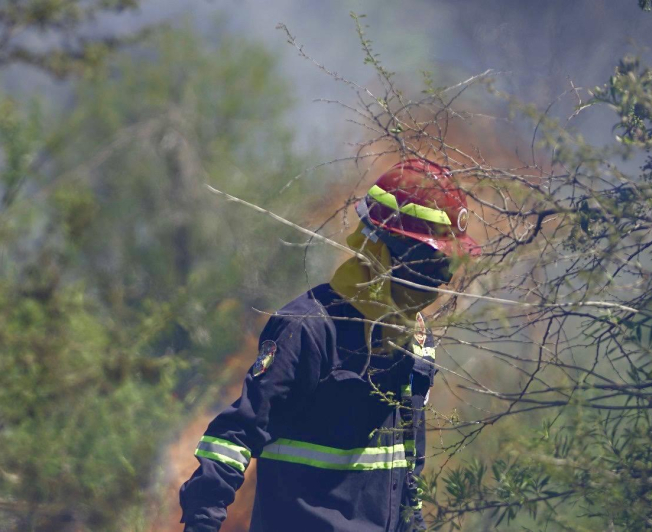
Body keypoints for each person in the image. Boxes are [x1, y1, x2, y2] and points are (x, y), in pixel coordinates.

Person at [179, 158, 481, 532]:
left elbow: (407, 472)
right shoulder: (308, 329)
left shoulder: (415, 339)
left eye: (445, 265)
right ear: (383, 252)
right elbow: (233, 436)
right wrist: (202, 523)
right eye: (429, 262)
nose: (440, 281)